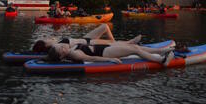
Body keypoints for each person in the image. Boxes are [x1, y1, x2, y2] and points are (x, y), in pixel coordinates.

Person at [32, 23, 172, 55]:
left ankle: (125, 43)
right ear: (45, 45)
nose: (47, 38)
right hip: (89, 43)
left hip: (85, 39)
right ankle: (127, 43)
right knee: (113, 43)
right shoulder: (57, 47)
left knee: (105, 26)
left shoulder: (56, 43)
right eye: (45, 40)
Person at [46, 40, 175, 67]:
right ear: (62, 55)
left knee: (134, 46)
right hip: (106, 52)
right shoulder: (74, 55)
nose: (63, 45)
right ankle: (161, 61)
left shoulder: (70, 48)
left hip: (105, 47)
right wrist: (111, 59)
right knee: (135, 50)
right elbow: (93, 58)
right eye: (61, 48)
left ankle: (162, 50)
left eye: (61, 45)